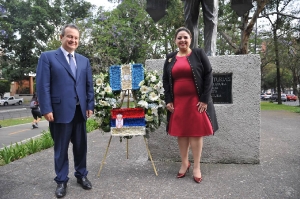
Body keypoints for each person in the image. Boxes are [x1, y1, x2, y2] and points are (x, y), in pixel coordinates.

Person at [36, 24, 94, 198]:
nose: (73, 40)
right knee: (61, 148)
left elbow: (88, 86)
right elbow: (42, 85)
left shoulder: (84, 60)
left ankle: (81, 175)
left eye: (76, 38)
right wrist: (46, 108)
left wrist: (90, 105)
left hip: (80, 111)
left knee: (81, 146)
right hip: (59, 110)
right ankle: (61, 180)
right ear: (61, 37)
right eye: (69, 37)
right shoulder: (47, 57)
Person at [162, 27, 218, 184]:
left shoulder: (199, 54)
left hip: (196, 101)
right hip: (178, 102)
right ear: (175, 40)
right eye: (179, 38)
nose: (182, 40)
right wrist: (168, 100)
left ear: (190, 39)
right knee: (181, 133)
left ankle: (197, 167)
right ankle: (184, 163)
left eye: (185, 37)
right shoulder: (170, 58)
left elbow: (208, 75)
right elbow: (166, 80)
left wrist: (205, 99)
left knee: (195, 133)